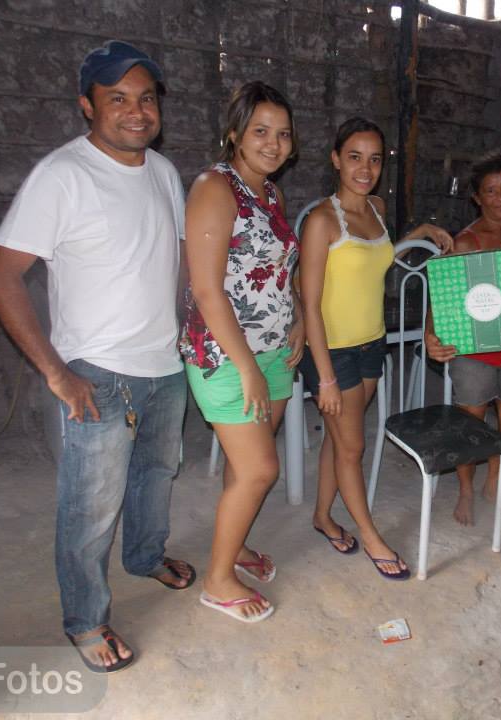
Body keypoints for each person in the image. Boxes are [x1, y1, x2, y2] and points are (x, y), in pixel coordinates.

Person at [0, 41, 194, 673]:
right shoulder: (61, 175)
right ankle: (85, 619)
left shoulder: (164, 172)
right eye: (117, 98)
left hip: (164, 364)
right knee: (91, 505)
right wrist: (55, 371)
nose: (136, 111)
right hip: (97, 371)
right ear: (87, 105)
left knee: (156, 476)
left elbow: (177, 257)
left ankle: (145, 557)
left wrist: (185, 326)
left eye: (146, 98)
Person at [298, 117, 453, 580]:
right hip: (332, 351)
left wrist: (418, 231)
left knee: (338, 439)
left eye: (374, 159)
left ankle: (322, 517)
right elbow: (309, 302)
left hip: (372, 344)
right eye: (354, 157)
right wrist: (325, 377)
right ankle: (371, 536)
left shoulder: (378, 208)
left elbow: (374, 259)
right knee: (353, 446)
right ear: (335, 159)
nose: (365, 169)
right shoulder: (322, 221)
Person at [180, 81, 303, 621]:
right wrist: (247, 368)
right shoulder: (215, 187)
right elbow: (207, 290)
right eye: (260, 131)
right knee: (259, 470)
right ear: (234, 134)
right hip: (225, 355)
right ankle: (217, 580)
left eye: (283, 134)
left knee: (243, 463)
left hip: (273, 349)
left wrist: (298, 316)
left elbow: (279, 269)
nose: (273, 144)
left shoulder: (271, 194)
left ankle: (234, 547)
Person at [425, 153, 501, 526]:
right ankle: (465, 490)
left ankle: (494, 484)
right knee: (470, 431)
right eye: (490, 190)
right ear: (477, 197)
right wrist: (430, 333)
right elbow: (442, 295)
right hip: (473, 352)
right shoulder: (466, 242)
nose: (500, 197)